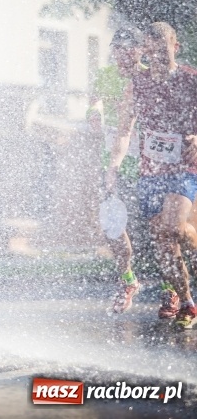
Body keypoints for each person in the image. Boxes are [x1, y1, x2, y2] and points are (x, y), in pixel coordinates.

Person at [107, 22, 197, 330]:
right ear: (146, 51)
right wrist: (114, 165)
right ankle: (186, 301)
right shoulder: (137, 84)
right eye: (152, 51)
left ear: (175, 48)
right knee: (163, 239)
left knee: (172, 227)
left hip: (185, 168)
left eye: (163, 50)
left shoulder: (190, 80)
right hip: (150, 172)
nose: (157, 56)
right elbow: (123, 131)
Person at [89, 26, 146, 313]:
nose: (122, 53)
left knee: (155, 230)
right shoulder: (106, 75)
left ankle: (170, 289)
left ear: (140, 50)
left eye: (128, 47)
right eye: (117, 48)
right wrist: (94, 114)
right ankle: (128, 280)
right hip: (112, 163)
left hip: (148, 163)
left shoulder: (149, 77)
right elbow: (93, 100)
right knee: (112, 225)